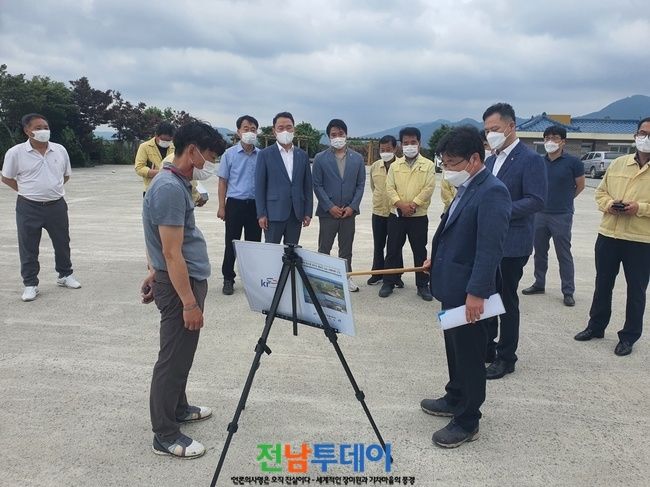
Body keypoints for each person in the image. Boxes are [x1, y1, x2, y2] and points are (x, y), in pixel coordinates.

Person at [140, 121, 227, 459]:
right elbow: (172, 252)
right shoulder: (168, 188)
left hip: (178, 280)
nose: (211, 164)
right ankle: (164, 434)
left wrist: (154, 272)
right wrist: (189, 302)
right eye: (210, 156)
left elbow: (159, 241)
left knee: (182, 354)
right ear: (192, 151)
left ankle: (178, 408)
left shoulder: (175, 183)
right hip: (181, 286)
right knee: (173, 358)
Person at [421, 126, 511, 448]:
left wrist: (477, 293)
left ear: (474, 159)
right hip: (452, 284)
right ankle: (455, 395)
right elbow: (454, 232)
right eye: (444, 163)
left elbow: (490, 249)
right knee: (455, 347)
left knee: (470, 354)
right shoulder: (466, 186)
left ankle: (468, 419)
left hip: (470, 292)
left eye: (452, 163)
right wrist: (436, 259)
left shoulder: (493, 192)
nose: (447, 169)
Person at [574, 117, 650, 356]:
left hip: (641, 240)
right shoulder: (618, 163)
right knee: (603, 283)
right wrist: (609, 204)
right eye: (642, 133)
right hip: (609, 234)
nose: (645, 138)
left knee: (636, 290)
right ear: (635, 135)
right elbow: (600, 192)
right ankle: (596, 326)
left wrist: (640, 208)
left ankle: (629, 336)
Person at [482, 103, 547, 379]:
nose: (490, 135)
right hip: (488, 241)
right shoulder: (490, 160)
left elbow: (536, 200)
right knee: (487, 296)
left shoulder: (530, 159)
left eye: (495, 129)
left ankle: (506, 357)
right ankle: (488, 346)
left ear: (511, 126)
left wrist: (502, 209)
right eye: (487, 130)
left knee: (506, 300)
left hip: (512, 242)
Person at [1, 113, 81, 302]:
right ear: (27, 131)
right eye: (38, 128)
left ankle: (65, 274)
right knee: (28, 246)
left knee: (62, 242)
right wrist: (27, 191)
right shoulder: (16, 153)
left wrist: (51, 189)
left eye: (46, 127)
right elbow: (6, 177)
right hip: (28, 206)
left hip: (56, 205)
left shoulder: (59, 150)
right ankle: (30, 284)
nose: (43, 131)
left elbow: (66, 175)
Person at [522, 125, 585, 306]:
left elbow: (580, 186)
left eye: (555, 138)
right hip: (539, 213)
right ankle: (539, 283)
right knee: (539, 252)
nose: (550, 141)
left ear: (563, 141)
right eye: (547, 138)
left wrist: (566, 199)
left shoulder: (573, 162)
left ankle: (568, 291)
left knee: (563, 254)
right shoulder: (539, 161)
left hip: (562, 215)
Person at [379, 127, 436, 301]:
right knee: (392, 250)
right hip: (397, 215)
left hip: (418, 216)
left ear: (419, 143)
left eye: (413, 142)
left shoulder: (428, 165)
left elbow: (429, 187)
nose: (409, 146)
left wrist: (413, 204)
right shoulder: (395, 166)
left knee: (419, 251)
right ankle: (388, 282)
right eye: (406, 143)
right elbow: (389, 188)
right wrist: (401, 205)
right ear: (401, 145)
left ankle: (422, 285)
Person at [312, 119, 366, 292]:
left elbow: (360, 185)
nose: (337, 137)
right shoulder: (320, 158)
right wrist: (330, 206)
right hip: (328, 213)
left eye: (340, 134)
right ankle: (322, 280)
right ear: (329, 137)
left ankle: (346, 277)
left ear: (346, 135)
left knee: (346, 248)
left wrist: (352, 206)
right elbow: (317, 185)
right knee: (324, 247)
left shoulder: (357, 159)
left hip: (348, 213)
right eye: (333, 135)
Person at [217, 115, 262, 296]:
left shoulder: (262, 155)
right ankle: (228, 278)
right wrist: (221, 206)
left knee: (253, 245)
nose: (249, 132)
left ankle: (251, 280)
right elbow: (222, 182)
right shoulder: (229, 154)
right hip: (235, 204)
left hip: (255, 206)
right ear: (238, 132)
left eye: (253, 129)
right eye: (246, 129)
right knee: (231, 243)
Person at [255, 112, 313, 244]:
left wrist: (308, 212)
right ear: (274, 131)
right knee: (272, 251)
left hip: (296, 213)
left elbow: (307, 186)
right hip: (273, 213)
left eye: (289, 127)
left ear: (294, 129)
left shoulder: (302, 155)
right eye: (280, 128)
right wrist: (261, 214)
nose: (285, 131)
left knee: (291, 252)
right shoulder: (265, 155)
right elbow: (259, 187)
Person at [368, 135, 404, 287]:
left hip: (395, 212)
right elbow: (373, 187)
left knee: (395, 246)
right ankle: (377, 273)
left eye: (388, 149)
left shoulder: (401, 166)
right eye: (382, 150)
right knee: (378, 245)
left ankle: (396, 275)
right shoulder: (375, 166)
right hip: (378, 211)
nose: (385, 152)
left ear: (395, 149)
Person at [135, 122, 175, 197]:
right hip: (151, 190)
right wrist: (161, 173)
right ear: (156, 135)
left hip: (171, 190)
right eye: (163, 139)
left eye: (169, 140)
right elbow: (139, 168)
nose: (166, 142)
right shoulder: (145, 147)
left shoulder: (175, 148)